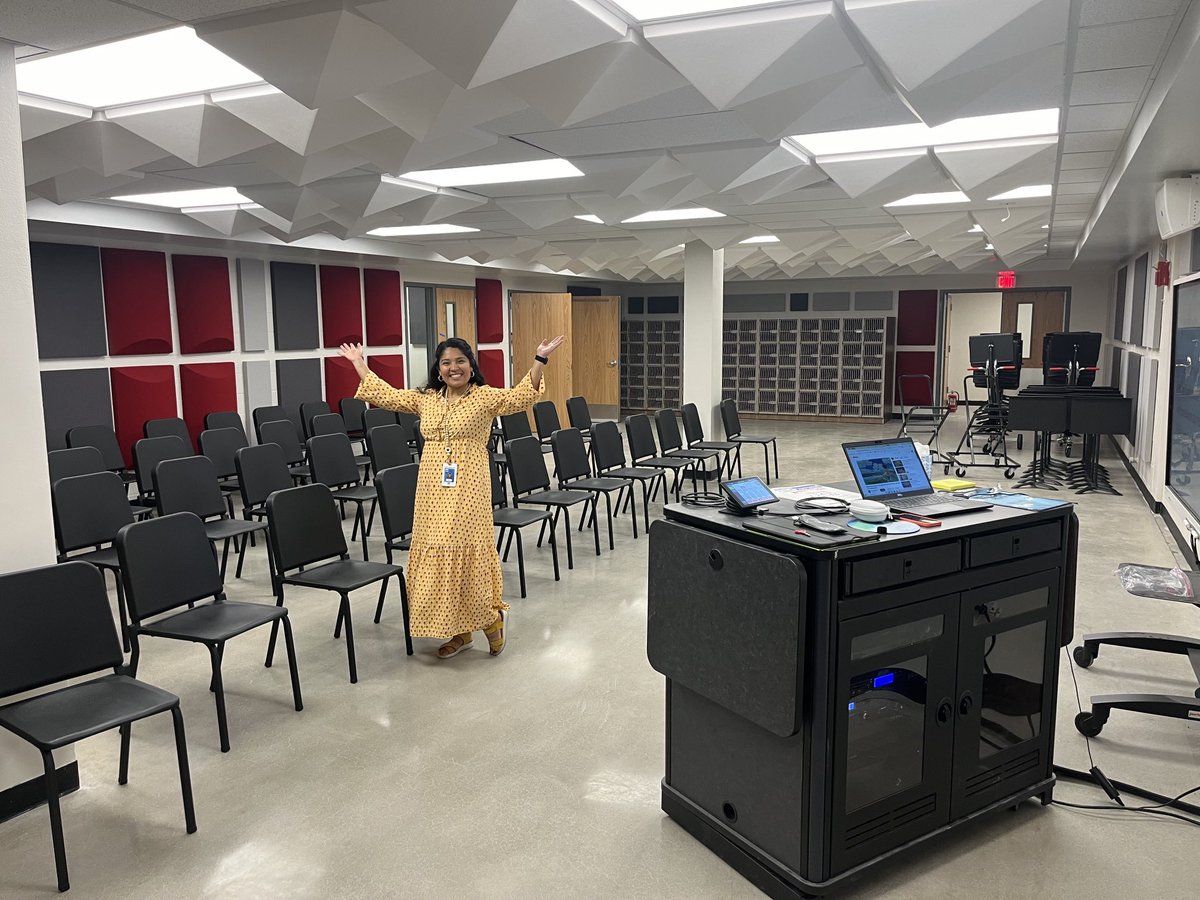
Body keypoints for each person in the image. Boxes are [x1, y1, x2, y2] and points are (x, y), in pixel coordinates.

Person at [339, 335, 565, 659]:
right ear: (439, 369)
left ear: (471, 366)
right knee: (438, 550)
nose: (453, 367)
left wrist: (539, 360)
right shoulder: (428, 398)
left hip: (469, 486)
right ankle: (460, 631)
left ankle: (490, 619)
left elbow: (519, 397)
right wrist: (358, 363)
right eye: (446, 362)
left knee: (461, 549)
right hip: (432, 487)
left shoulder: (484, 397)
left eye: (460, 361)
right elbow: (387, 396)